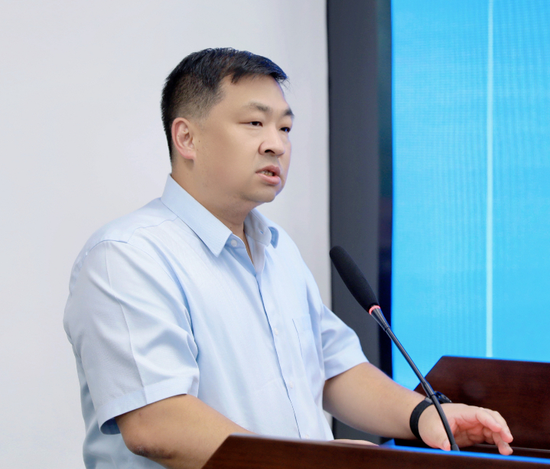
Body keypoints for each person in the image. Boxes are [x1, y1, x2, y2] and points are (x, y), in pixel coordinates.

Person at [64, 48, 513, 469]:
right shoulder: (127, 257)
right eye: (254, 123)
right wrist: (315, 462)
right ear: (187, 137)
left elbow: (334, 370)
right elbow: (158, 424)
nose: (276, 145)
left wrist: (425, 415)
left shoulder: (277, 250)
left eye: (285, 128)